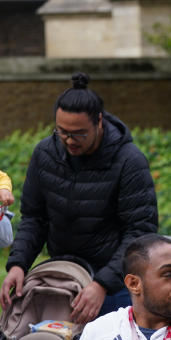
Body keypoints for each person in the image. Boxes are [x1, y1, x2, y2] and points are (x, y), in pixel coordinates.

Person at [1, 72, 157, 323]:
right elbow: (34, 218)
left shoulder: (129, 161)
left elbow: (139, 232)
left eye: (79, 134)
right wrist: (18, 264)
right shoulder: (45, 154)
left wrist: (102, 284)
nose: (69, 140)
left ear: (99, 122)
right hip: (62, 279)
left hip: (115, 289)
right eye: (62, 132)